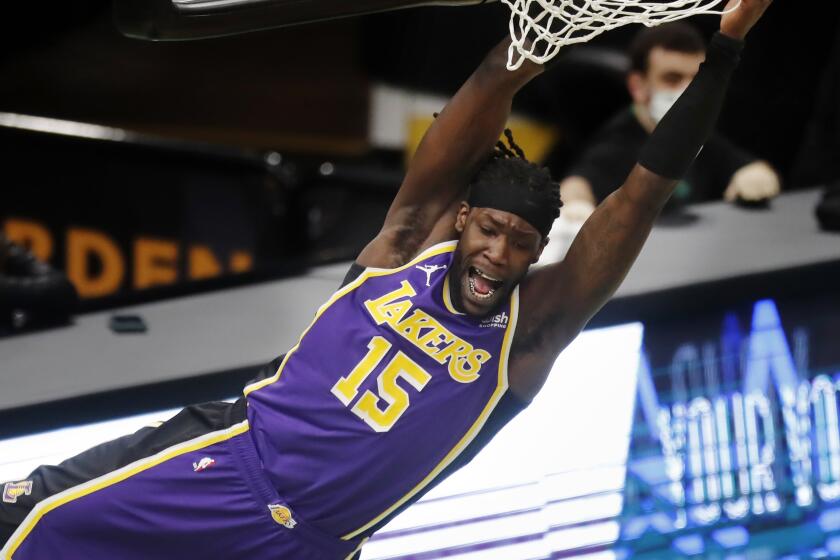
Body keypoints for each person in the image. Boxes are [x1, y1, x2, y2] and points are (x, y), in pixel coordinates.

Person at [0, 1, 772, 558]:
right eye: (491, 230)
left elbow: (640, 194)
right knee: (22, 524)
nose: (499, 255)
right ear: (464, 218)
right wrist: (541, 29)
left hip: (322, 545)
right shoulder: (404, 248)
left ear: (538, 255)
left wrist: (728, 47)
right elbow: (480, 100)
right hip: (222, 469)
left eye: (522, 245)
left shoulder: (528, 336)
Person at [557, 21, 780, 224]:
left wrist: (755, 175)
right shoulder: (618, 141)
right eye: (672, 79)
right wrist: (576, 205)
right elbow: (578, 185)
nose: (688, 92)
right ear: (638, 86)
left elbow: (743, 165)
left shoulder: (697, 135)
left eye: (696, 80)